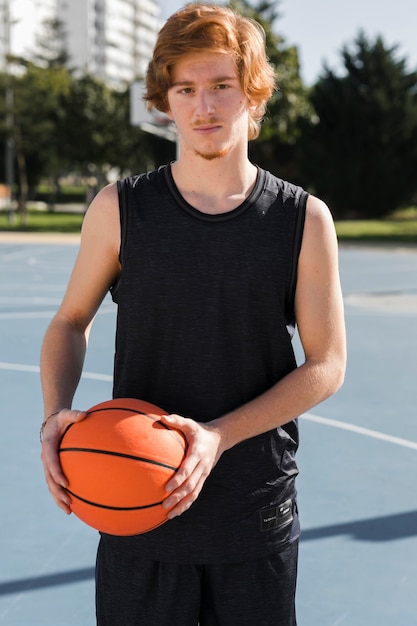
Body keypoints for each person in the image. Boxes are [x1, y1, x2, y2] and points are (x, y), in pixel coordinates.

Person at [40, 3, 346, 624]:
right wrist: (55, 415)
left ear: (253, 96)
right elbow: (70, 322)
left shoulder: (302, 220)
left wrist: (216, 438)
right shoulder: (119, 209)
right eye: (185, 89)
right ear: (166, 100)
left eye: (221, 87)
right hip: (137, 507)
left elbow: (327, 364)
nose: (203, 107)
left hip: (252, 515)